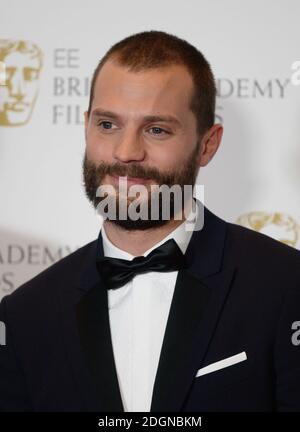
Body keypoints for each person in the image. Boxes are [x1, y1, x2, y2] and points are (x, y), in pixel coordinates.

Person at [0, 30, 300, 412]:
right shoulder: (25, 315)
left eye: (157, 129)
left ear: (207, 144)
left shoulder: (286, 286)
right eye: (108, 125)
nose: (126, 152)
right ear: (86, 126)